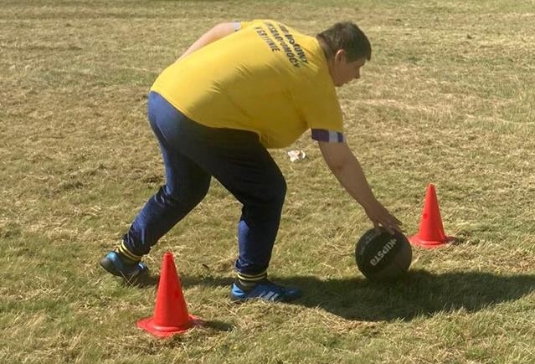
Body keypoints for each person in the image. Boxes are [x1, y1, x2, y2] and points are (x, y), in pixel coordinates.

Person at [100, 19, 401, 302]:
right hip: (199, 119)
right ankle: (250, 282)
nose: (357, 77)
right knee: (266, 191)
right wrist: (372, 207)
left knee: (184, 190)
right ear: (340, 56)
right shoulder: (316, 83)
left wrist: (179, 73)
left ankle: (125, 256)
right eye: (358, 67)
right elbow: (339, 161)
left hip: (164, 96)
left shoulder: (273, 28)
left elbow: (220, 30)